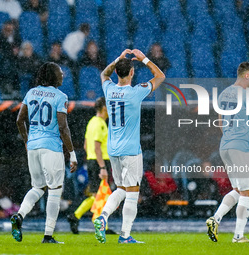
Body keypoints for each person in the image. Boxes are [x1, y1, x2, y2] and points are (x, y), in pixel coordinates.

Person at [93, 49, 165, 244]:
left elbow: (103, 74)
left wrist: (118, 58)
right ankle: (125, 235)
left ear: (117, 72)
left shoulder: (108, 90)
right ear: (132, 73)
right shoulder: (136, 92)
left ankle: (103, 216)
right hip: (131, 149)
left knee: (122, 189)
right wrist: (144, 59)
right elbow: (160, 76)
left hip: (113, 149)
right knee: (132, 192)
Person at [12, 62, 78, 244]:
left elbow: (19, 120)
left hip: (33, 147)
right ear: (52, 76)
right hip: (51, 147)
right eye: (60, 72)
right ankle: (48, 236)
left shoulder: (31, 92)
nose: (63, 74)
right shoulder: (60, 96)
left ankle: (19, 215)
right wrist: (72, 153)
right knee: (55, 191)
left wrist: (27, 141)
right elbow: (63, 127)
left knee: (38, 188)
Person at [206, 62, 249, 243]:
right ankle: (238, 236)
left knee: (238, 190)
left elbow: (220, 121)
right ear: (247, 76)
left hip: (226, 146)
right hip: (241, 147)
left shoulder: (225, 93)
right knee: (247, 192)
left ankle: (215, 219)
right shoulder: (247, 95)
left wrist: (231, 137)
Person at [67, 96, 112, 234]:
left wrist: (92, 160)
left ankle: (76, 216)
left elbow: (87, 145)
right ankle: (94, 221)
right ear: (104, 108)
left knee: (97, 194)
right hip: (100, 162)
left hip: (93, 160)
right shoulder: (100, 124)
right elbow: (97, 147)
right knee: (102, 195)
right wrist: (102, 167)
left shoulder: (92, 122)